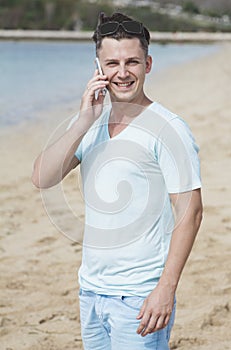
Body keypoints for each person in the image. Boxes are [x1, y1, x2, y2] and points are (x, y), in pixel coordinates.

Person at [32, 12, 203, 350]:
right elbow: (41, 177)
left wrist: (165, 288)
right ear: (98, 68)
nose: (122, 73)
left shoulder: (168, 128)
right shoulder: (90, 123)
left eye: (132, 62)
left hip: (140, 296)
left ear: (148, 64)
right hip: (91, 291)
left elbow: (191, 212)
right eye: (112, 63)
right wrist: (83, 120)